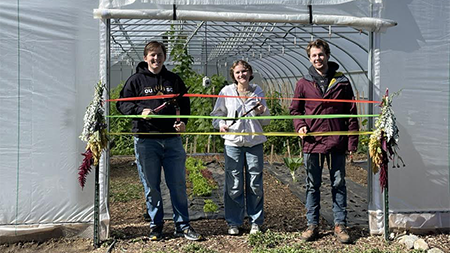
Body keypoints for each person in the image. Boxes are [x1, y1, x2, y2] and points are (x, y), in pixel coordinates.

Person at [117, 41, 201, 241]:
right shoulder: (136, 81)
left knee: (178, 184)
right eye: (152, 55)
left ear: (165, 57)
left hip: (172, 141)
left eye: (160, 55)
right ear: (146, 58)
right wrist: (139, 111)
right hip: (147, 141)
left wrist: (183, 123)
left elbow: (184, 104)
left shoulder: (173, 80)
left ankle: (182, 226)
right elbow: (121, 104)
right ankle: (156, 226)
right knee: (151, 186)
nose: (156, 59)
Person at [289, 39, 359, 244]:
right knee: (312, 185)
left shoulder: (342, 82)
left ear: (327, 55)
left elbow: (351, 113)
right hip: (312, 142)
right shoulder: (303, 82)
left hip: (337, 140)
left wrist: (351, 142)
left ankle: (340, 225)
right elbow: (295, 110)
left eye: (320, 54)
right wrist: (300, 125)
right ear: (309, 58)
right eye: (313, 55)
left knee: (338, 183)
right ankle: (312, 225)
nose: (317, 58)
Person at [211, 60, 270, 235]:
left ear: (250, 72)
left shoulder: (257, 91)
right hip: (233, 143)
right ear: (233, 75)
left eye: (244, 71)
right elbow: (216, 115)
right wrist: (221, 124)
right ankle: (234, 222)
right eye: (237, 72)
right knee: (234, 184)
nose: (241, 75)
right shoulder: (226, 92)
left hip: (254, 142)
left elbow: (266, 121)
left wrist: (262, 111)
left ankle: (255, 222)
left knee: (255, 184)